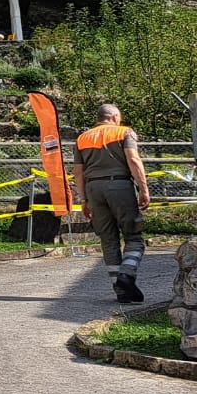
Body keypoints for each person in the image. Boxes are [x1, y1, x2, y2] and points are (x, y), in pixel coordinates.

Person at [72, 103, 151, 303]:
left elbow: (78, 172)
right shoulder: (124, 132)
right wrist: (143, 188)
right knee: (133, 236)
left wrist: (83, 199)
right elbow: (133, 160)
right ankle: (127, 273)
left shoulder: (82, 138)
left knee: (108, 239)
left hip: (93, 190)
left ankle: (121, 290)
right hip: (120, 186)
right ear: (115, 117)